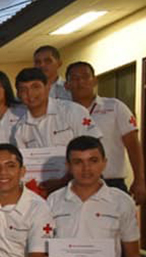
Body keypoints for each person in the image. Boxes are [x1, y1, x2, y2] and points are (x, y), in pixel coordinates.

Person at [11, 67, 101, 196]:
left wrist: (63, 180)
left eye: (35, 87)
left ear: (48, 87)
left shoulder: (72, 111)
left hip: (81, 189)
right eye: (23, 89)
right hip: (42, 193)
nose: (30, 94)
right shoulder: (19, 128)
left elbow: (93, 151)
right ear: (18, 94)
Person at [65, 61, 145, 204]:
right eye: (75, 78)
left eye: (85, 77)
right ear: (67, 85)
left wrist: (140, 179)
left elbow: (133, 145)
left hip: (112, 183)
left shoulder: (115, 107)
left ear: (94, 80)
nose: (80, 82)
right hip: (72, 186)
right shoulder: (62, 113)